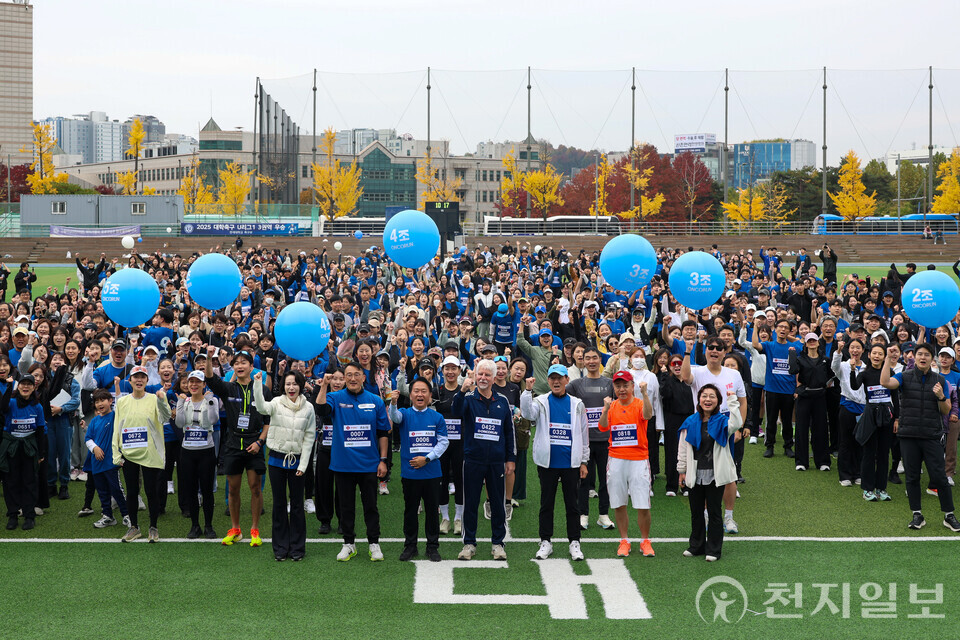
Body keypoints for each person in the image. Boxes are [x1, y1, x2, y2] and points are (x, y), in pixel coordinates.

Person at [316, 361, 391, 562]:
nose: (352, 378)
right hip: (342, 464)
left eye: (356, 374)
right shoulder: (334, 397)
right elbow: (321, 410)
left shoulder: (375, 401)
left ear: (363, 377)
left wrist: (383, 460)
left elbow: (383, 433)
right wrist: (324, 385)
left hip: (369, 464)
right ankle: (349, 543)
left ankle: (374, 543)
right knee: (346, 507)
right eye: (348, 375)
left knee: (371, 506)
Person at [881, 343, 960, 532]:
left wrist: (941, 396)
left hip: (932, 435)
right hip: (908, 435)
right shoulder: (904, 376)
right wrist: (887, 359)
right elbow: (885, 382)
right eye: (919, 354)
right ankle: (917, 514)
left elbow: (946, 410)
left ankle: (949, 515)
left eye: (926, 355)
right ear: (914, 358)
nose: (922, 357)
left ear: (932, 359)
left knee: (939, 477)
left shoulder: (940, 379)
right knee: (912, 477)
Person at [520, 364, 589, 561]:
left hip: (571, 464)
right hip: (547, 464)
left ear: (567, 380)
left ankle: (574, 542)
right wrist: (527, 391)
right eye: (552, 378)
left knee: (572, 505)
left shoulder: (577, 404)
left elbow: (584, 434)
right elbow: (527, 414)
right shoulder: (540, 401)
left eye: (560, 378)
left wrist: (584, 460)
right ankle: (545, 542)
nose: (556, 382)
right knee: (546, 503)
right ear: (548, 381)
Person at [204, 346, 270, 548]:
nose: (239, 366)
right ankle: (235, 529)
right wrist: (208, 357)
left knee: (255, 488)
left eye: (244, 363)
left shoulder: (262, 389)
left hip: (254, 444)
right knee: (233, 489)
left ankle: (255, 529)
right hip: (233, 443)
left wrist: (260, 442)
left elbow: (268, 419)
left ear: (252, 366)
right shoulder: (228, 388)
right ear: (232, 368)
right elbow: (210, 379)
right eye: (236, 363)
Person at [453, 358, 516, 561]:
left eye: (487, 375)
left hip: (497, 461)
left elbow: (509, 432)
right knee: (470, 502)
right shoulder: (469, 399)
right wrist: (462, 391)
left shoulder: (503, 401)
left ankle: (498, 543)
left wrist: (510, 458)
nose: (483, 378)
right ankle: (469, 544)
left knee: (497, 503)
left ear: (494, 377)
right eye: (480, 374)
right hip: (473, 459)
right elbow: (456, 413)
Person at [253, 369, 316, 562]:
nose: (291, 387)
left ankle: (297, 547)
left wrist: (303, 465)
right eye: (288, 383)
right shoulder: (276, 403)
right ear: (283, 386)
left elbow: (309, 438)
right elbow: (261, 408)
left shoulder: (309, 408)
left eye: (295, 384)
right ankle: (280, 547)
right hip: (276, 461)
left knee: (297, 505)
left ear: (301, 386)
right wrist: (257, 384)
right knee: (279, 504)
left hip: (297, 461)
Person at [678, 384, 743, 561]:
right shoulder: (690, 422)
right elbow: (683, 448)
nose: (708, 400)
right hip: (694, 473)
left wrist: (732, 401)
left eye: (712, 396)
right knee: (696, 511)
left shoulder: (722, 421)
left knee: (714, 512)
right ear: (699, 399)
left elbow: (737, 423)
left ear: (718, 401)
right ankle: (696, 546)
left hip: (716, 474)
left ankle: (713, 550)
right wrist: (681, 470)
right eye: (704, 396)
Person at [388, 378, 449, 562]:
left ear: (430, 396)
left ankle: (432, 547)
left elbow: (444, 441)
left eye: (424, 391)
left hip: (431, 473)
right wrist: (393, 403)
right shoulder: (405, 414)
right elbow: (394, 417)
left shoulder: (437, 417)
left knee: (432, 511)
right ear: (411, 395)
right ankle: (410, 546)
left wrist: (427, 458)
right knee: (411, 510)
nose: (420, 394)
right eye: (416, 391)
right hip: (410, 473)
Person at [598, 370, 655, 558]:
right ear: (614, 388)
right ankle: (624, 540)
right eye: (618, 386)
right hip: (616, 459)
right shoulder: (612, 405)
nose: (622, 389)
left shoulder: (639, 403)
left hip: (638, 459)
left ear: (632, 386)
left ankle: (645, 541)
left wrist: (645, 394)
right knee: (618, 502)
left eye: (625, 385)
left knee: (642, 504)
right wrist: (606, 408)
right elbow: (603, 426)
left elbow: (648, 415)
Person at [112, 366, 171, 543]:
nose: (139, 380)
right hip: (129, 453)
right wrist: (116, 453)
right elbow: (117, 427)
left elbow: (166, 417)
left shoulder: (155, 398)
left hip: (150, 453)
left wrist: (162, 400)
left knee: (151, 491)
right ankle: (134, 528)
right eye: (135, 377)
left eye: (142, 377)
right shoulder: (122, 402)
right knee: (131, 491)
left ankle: (153, 527)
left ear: (147, 381)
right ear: (129, 381)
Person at [567, 347, 615, 529]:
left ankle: (603, 514)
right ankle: (583, 515)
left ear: (600, 359)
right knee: (584, 480)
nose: (592, 361)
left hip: (606, 440)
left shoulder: (610, 383)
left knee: (605, 479)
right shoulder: (576, 384)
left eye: (595, 358)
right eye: (588, 358)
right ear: (583, 361)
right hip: (584, 441)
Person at [174, 370, 219, 539]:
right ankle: (195, 525)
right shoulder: (184, 402)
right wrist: (179, 404)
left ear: (203, 384)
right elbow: (179, 423)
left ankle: (208, 525)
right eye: (190, 382)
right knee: (190, 490)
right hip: (188, 452)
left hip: (206, 451)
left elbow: (214, 420)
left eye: (197, 382)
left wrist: (210, 401)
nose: (193, 385)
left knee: (207, 490)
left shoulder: (210, 400)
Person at [851, 343, 897, 502]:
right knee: (869, 453)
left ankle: (881, 489)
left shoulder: (889, 372)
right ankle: (867, 489)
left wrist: (896, 418)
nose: (877, 356)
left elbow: (896, 397)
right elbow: (854, 386)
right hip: (870, 415)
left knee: (884, 453)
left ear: (885, 356)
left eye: (880, 354)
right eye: (874, 353)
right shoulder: (864, 374)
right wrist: (852, 370)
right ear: (869, 355)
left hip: (886, 415)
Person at [0, 374, 46, 530]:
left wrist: (41, 454)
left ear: (34, 387)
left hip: (29, 449)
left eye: (29, 384)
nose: (25, 387)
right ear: (18, 387)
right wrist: (8, 386)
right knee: (11, 482)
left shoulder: (37, 406)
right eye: (23, 384)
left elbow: (40, 430)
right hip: (11, 448)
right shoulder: (11, 402)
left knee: (29, 482)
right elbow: (2, 407)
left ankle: (29, 516)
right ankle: (12, 515)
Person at [753, 318, 803, 458]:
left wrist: (788, 336)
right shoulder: (769, 345)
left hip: (788, 390)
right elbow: (755, 344)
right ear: (775, 329)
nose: (782, 329)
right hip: (772, 389)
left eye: (785, 327)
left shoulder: (794, 347)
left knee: (787, 421)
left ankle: (788, 447)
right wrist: (756, 328)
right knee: (771, 420)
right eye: (780, 327)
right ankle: (770, 446)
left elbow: (802, 343)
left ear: (789, 330)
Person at [83, 389, 130, 529]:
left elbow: (120, 405)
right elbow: (88, 438)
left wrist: (116, 386)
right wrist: (95, 448)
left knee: (116, 489)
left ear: (110, 401)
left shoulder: (115, 416)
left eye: (103, 400)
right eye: (97, 401)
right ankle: (108, 516)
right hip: (96, 463)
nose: (99, 404)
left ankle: (127, 515)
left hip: (111, 462)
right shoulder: (94, 421)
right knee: (102, 491)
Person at [789, 333, 833, 472]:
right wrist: (791, 355)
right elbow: (793, 370)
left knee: (820, 429)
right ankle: (801, 461)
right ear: (806, 344)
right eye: (809, 341)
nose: (812, 343)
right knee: (802, 429)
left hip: (820, 396)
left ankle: (823, 461)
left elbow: (832, 375)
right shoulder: (800, 358)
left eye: (814, 340)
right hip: (804, 396)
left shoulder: (825, 359)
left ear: (818, 343)